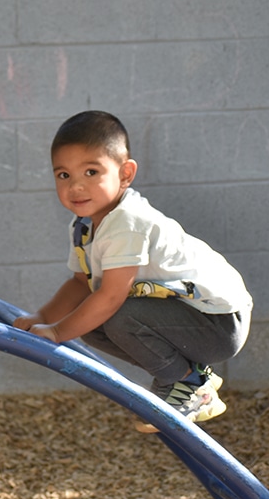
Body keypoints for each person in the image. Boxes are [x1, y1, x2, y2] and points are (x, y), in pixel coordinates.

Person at [13, 110, 252, 432]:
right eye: (64, 175)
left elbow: (111, 297)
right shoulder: (84, 226)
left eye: (91, 172)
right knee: (90, 324)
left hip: (218, 321)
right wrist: (42, 317)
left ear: (125, 174)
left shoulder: (127, 223)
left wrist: (56, 332)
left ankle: (189, 383)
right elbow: (80, 284)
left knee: (112, 313)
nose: (76, 187)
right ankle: (185, 377)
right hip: (188, 317)